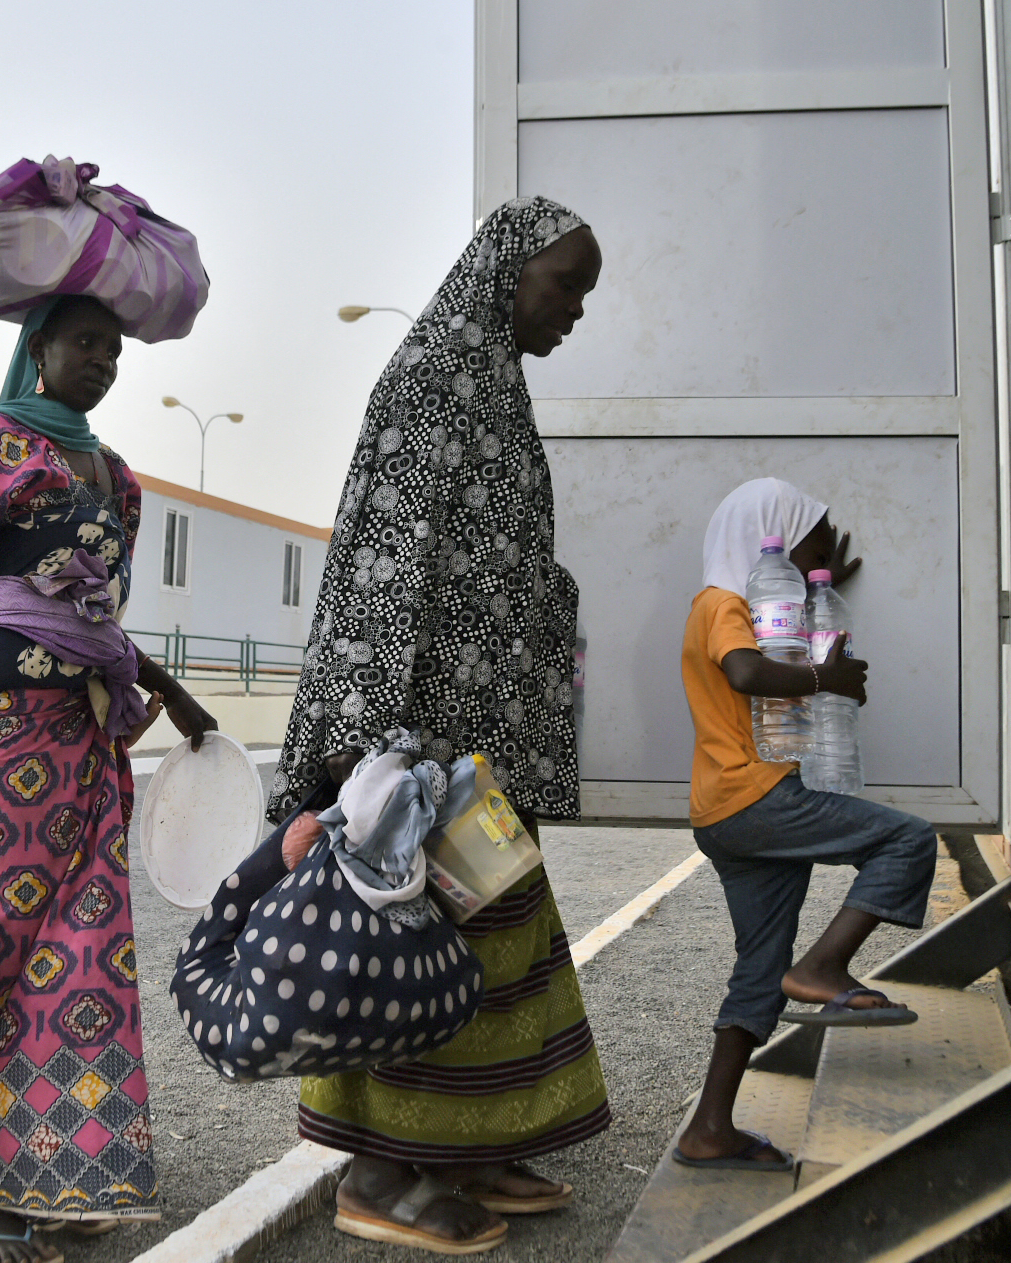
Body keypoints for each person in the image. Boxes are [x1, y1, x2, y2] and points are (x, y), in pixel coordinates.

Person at [267, 197, 610, 1255]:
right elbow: (388, 564)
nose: (574, 311)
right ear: (508, 271)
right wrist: (362, 748)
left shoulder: (492, 391)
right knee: (411, 945)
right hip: (419, 740)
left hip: (479, 740)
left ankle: (464, 1148)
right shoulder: (429, 386)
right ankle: (380, 1172)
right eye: (566, 285)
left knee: (491, 940)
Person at [0, 293, 218, 1263]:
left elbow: (91, 616)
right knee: (5, 954)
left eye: (113, 348)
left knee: (88, 958)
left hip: (86, 742)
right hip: (0, 739)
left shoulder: (117, 476)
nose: (100, 360)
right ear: (40, 347)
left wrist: (174, 694)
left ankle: (66, 1166)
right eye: (83, 343)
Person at [672, 477, 937, 1172]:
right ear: (776, 535)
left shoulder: (737, 601)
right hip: (756, 800)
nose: (827, 540)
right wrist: (829, 681)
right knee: (906, 839)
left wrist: (821, 583)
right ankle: (823, 966)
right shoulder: (722, 605)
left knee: (758, 969)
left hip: (727, 809)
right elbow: (745, 670)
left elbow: (775, 638)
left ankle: (709, 1129)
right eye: (817, 530)